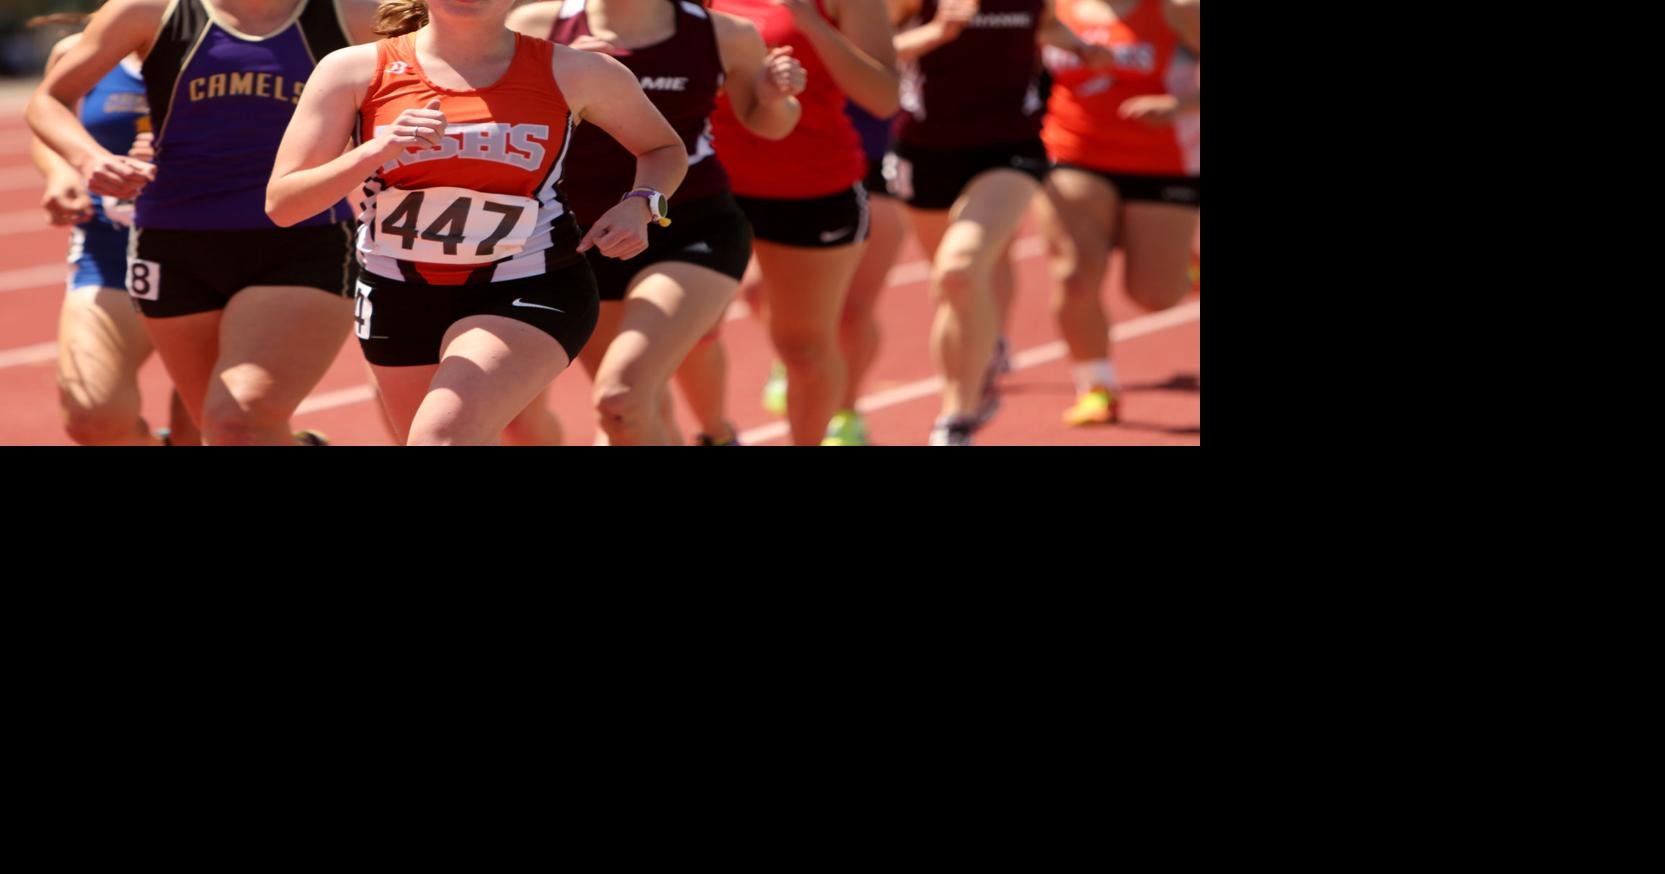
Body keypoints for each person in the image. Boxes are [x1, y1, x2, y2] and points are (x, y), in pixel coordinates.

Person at [266, 0, 687, 445]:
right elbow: (284, 204)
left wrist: (642, 203)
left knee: (442, 436)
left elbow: (663, 149)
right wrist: (374, 149)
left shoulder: (576, 70)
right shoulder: (351, 70)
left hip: (530, 282)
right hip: (398, 292)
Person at [27, 0, 386, 445]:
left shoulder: (353, 14)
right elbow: (49, 99)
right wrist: (88, 160)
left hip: (301, 241)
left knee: (239, 419)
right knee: (211, 429)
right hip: (172, 245)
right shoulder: (148, 11)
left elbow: (432, 73)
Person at [506, 0, 805, 446]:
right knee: (637, 414)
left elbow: (770, 125)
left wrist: (773, 99)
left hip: (688, 227)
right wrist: (557, 80)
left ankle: (718, 434)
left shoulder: (725, 33)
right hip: (584, 238)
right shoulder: (534, 26)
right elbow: (494, 124)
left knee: (620, 397)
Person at [886, 0, 1110, 445]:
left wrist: (1084, 50)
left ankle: (956, 416)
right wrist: (936, 33)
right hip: (927, 150)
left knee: (960, 270)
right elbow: (875, 54)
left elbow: (1045, 27)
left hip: (1011, 147)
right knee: (951, 286)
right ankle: (985, 353)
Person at [702, 0, 897, 446]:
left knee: (804, 349)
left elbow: (884, 98)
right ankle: (713, 432)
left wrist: (811, 21)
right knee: (690, 334)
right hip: (707, 183)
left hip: (809, 185)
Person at [25, 9, 196, 446]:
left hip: (219, 252)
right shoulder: (77, 52)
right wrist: (64, 172)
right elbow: (50, 116)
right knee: (94, 418)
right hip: (112, 252)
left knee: (206, 426)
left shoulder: (245, 50)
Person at [1035, 0, 1198, 426]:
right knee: (1073, 274)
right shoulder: (1052, 5)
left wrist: (1179, 107)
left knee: (1154, 296)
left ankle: (1184, 264)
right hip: (1072, 150)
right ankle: (1096, 385)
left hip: (1163, 159)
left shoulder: (1178, 9)